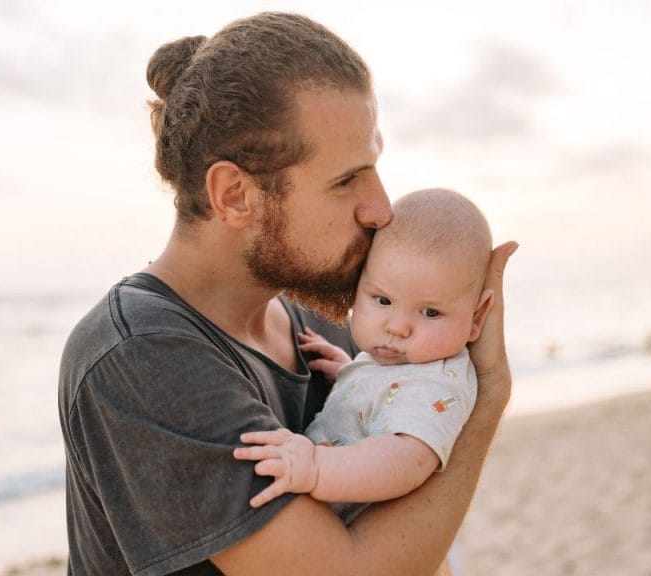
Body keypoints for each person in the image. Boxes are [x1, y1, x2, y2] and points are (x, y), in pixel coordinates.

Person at [57, 11, 517, 576]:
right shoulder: (141, 356)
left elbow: (413, 540)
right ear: (235, 194)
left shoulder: (329, 327)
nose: (381, 208)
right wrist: (488, 393)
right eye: (346, 180)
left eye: (373, 168)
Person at [233, 189, 495, 523]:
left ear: (476, 316)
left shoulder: (437, 385)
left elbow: (404, 461)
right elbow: (387, 402)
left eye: (430, 312)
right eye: (383, 301)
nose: (397, 327)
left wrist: (316, 467)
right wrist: (352, 371)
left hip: (347, 530)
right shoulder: (407, 365)